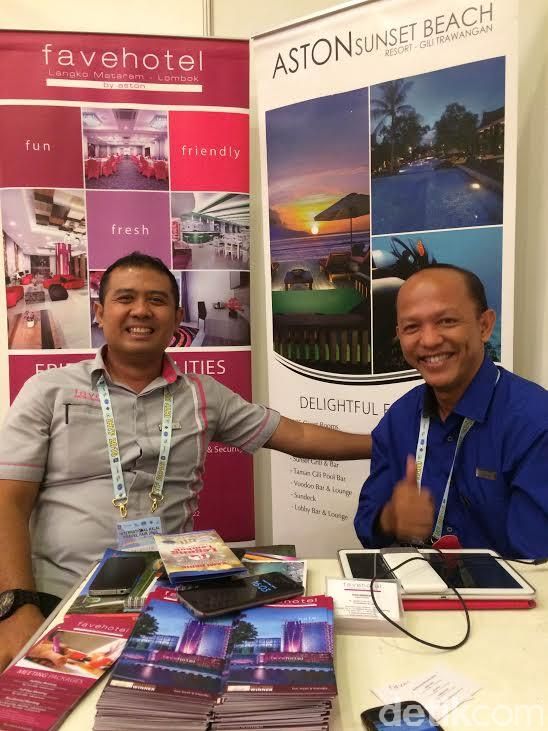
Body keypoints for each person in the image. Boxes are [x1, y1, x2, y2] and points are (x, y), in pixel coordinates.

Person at [0, 252, 372, 670]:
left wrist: (386, 444)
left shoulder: (204, 394)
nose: (141, 310)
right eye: (126, 298)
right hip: (59, 597)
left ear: (177, 317)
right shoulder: (48, 390)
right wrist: (15, 606)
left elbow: (297, 435)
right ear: (100, 312)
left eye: (156, 300)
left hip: (169, 598)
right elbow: (8, 501)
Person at [355, 264, 548, 558]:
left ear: (484, 326)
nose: (429, 340)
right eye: (412, 327)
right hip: (415, 582)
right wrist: (390, 518)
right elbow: (367, 525)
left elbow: (535, 562)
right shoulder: (400, 418)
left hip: (506, 588)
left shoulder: (534, 422)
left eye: (446, 321)